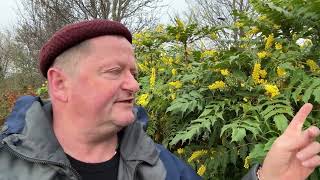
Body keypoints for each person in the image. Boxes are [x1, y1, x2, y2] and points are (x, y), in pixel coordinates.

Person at [0, 19, 319, 180]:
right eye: (114, 71)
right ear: (59, 84)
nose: (133, 85)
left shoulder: (161, 165)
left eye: (134, 72)